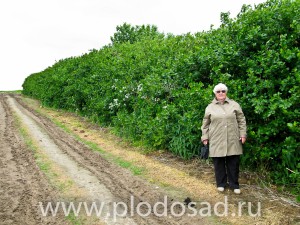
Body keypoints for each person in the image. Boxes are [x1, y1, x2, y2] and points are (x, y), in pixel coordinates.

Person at [201, 83, 247, 194]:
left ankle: (234, 185)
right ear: (215, 93)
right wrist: (205, 137)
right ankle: (221, 184)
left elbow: (241, 120)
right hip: (216, 139)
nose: (221, 93)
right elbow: (205, 124)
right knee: (218, 163)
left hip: (233, 138)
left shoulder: (234, 105)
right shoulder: (210, 107)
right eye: (218, 91)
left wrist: (243, 134)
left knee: (233, 163)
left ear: (226, 92)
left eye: (223, 91)